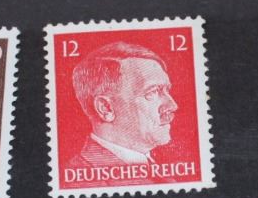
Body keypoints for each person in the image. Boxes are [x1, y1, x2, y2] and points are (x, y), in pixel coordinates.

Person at [64, 42, 179, 171]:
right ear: (106, 108)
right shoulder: (84, 172)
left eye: (167, 90)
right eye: (152, 92)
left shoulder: (156, 171)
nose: (173, 106)